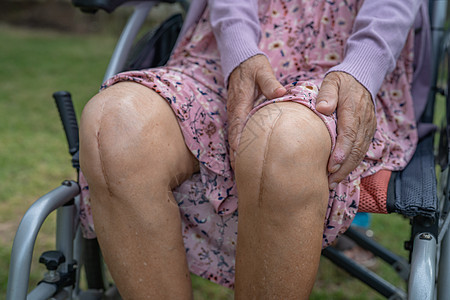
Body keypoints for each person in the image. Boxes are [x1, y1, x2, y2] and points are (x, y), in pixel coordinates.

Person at [78, 0, 430, 298]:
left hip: (343, 63)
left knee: (286, 140)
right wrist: (240, 52)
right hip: (220, 55)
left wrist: (362, 69)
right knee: (115, 126)